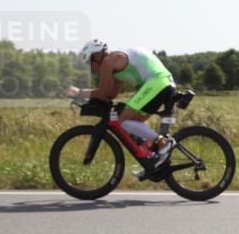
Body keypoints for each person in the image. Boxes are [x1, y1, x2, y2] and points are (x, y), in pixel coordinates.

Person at [66, 39, 175, 175]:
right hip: (163, 83)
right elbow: (111, 93)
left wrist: (79, 92)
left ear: (97, 56)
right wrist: (90, 96)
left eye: (90, 63)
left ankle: (163, 143)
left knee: (123, 121)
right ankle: (152, 160)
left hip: (157, 83)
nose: (91, 68)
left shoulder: (109, 61)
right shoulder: (115, 65)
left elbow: (102, 92)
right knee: (135, 122)